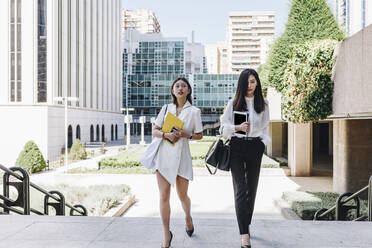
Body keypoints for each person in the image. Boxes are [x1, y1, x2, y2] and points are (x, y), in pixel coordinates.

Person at [219, 68, 271, 248]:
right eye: (247, 82)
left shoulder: (264, 104)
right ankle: (244, 234)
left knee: (252, 189)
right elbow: (223, 128)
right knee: (241, 189)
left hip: (255, 147)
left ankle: (246, 224)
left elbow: (265, 128)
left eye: (253, 81)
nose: (250, 85)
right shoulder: (233, 103)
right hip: (237, 147)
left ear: (257, 83)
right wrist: (238, 128)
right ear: (241, 84)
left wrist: (262, 143)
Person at [151, 77, 203, 248]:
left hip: (182, 158)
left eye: (184, 86)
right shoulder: (166, 108)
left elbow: (199, 135)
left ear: (188, 90)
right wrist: (166, 135)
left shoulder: (194, 111)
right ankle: (167, 234)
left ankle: (188, 217)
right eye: (177, 86)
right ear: (173, 90)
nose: (180, 88)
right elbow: (155, 131)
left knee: (182, 196)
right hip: (164, 156)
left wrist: (185, 134)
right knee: (164, 195)